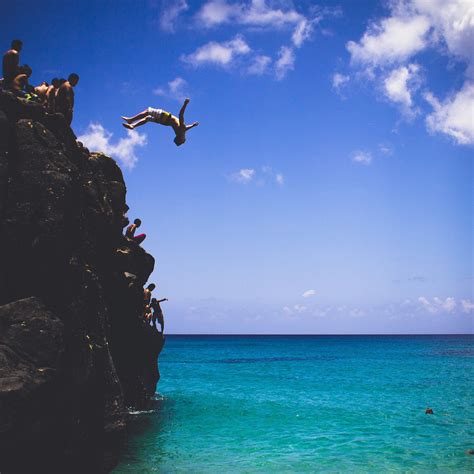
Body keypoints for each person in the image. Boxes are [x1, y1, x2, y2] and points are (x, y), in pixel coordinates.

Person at [121, 98, 199, 146]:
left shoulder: (182, 129)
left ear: (181, 139)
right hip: (164, 122)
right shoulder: (181, 132)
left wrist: (185, 104)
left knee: (148, 111)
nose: (185, 141)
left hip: (166, 117)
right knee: (147, 118)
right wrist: (193, 125)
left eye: (183, 142)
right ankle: (133, 126)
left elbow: (180, 115)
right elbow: (186, 128)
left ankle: (131, 120)